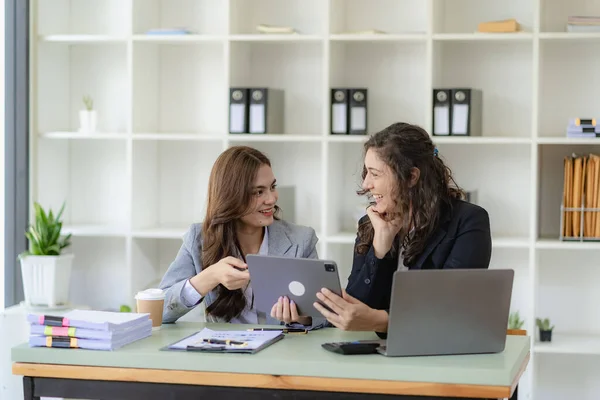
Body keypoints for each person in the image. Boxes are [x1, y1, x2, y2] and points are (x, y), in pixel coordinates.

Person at [313, 122, 492, 334]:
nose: (366, 184)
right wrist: (379, 249)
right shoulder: (369, 224)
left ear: (411, 177)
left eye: (375, 174)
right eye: (366, 172)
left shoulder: (468, 221)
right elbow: (355, 308)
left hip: (439, 354)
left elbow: (450, 308)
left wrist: (381, 321)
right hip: (374, 354)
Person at [159, 146, 321, 328]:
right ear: (230, 196)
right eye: (259, 192)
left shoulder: (302, 240)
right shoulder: (199, 239)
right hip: (225, 351)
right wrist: (210, 276)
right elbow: (159, 309)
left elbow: (324, 316)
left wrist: (301, 318)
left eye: (272, 187)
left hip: (281, 351)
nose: (272, 199)